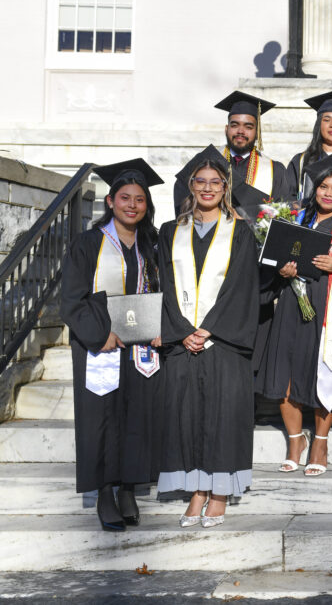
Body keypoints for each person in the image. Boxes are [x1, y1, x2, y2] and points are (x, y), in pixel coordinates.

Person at [157, 145, 260, 528]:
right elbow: (164, 285)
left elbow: (242, 286)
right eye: (200, 181)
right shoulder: (170, 232)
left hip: (224, 342)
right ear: (190, 186)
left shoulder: (241, 232)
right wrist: (182, 332)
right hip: (183, 341)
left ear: (225, 188)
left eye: (215, 182)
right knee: (187, 415)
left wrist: (209, 328)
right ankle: (196, 489)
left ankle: (218, 492)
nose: (207, 188)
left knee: (223, 415)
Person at [60, 159, 164, 532]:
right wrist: (98, 335)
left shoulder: (152, 244)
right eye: (125, 198)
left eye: (139, 199)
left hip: (139, 347)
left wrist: (160, 327)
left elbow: (161, 293)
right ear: (110, 201)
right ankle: (105, 491)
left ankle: (128, 489)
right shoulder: (89, 243)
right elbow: (70, 299)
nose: (132, 205)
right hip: (101, 345)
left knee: (137, 416)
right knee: (101, 419)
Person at [258, 152, 332, 476]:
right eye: (323, 186)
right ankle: (296, 441)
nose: (328, 193)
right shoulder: (294, 219)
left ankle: (320, 441)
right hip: (291, 303)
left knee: (324, 374)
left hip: (328, 307)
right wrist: (282, 270)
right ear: (314, 188)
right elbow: (270, 260)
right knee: (286, 375)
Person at [172, 91, 289, 213]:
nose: (240, 131)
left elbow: (282, 215)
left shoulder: (275, 170)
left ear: (257, 132)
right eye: (234, 125)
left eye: (248, 127)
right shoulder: (206, 159)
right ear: (226, 129)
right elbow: (181, 192)